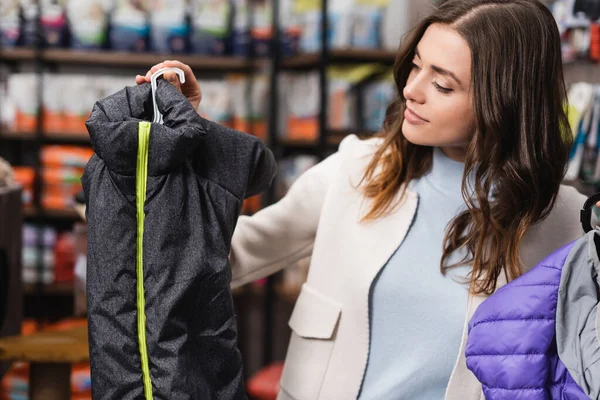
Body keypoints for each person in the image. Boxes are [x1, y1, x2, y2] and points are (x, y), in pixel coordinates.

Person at [135, 0, 588, 398]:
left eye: (443, 84)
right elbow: (221, 254)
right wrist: (179, 154)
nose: (411, 89)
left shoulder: (565, 223)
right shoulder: (359, 168)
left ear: (505, 102)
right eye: (416, 66)